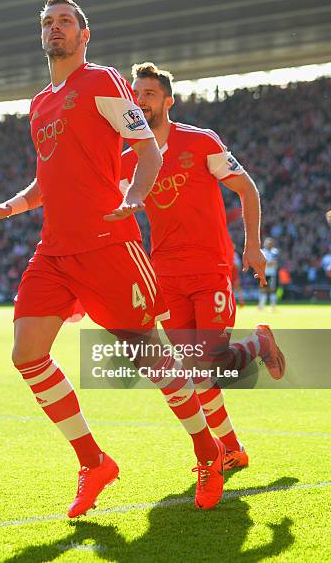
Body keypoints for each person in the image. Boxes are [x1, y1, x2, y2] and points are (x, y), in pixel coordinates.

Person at [0, 0, 227, 516]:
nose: (55, 29)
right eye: (48, 22)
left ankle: (208, 450)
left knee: (149, 355)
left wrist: (134, 197)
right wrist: (11, 208)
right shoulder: (39, 103)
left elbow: (147, 147)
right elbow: (47, 176)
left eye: (65, 22)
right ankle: (93, 461)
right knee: (26, 353)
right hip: (55, 250)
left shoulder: (103, 81)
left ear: (85, 34)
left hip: (109, 245)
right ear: (42, 35)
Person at [120, 62, 286, 470]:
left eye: (149, 94)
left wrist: (253, 246)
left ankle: (259, 344)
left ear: (168, 101)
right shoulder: (127, 163)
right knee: (195, 370)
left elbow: (246, 188)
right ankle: (231, 449)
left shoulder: (200, 142)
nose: (141, 101)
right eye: (135, 95)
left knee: (206, 362)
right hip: (166, 277)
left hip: (210, 268)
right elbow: (118, 216)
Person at [259, 238, 279, 310]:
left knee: (272, 289)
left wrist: (265, 264)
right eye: (267, 243)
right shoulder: (262, 252)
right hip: (263, 273)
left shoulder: (274, 252)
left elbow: (274, 262)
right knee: (263, 289)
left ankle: (273, 305)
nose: (269, 245)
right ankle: (261, 305)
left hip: (272, 273)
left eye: (270, 243)